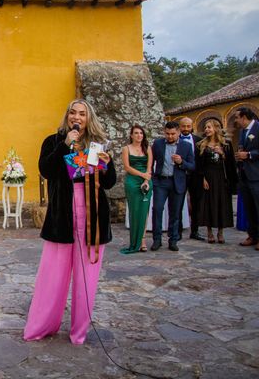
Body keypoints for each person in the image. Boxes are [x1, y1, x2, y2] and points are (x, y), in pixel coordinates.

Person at [24, 99, 116, 345]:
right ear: (67, 116)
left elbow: (108, 183)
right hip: (62, 216)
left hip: (92, 215)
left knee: (87, 277)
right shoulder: (53, 141)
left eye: (82, 114)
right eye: (73, 113)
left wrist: (106, 167)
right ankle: (42, 326)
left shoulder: (97, 145)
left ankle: (79, 332)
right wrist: (65, 145)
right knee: (52, 276)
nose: (77, 117)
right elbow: (46, 170)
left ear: (89, 118)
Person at [150, 121, 195, 252]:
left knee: (175, 213)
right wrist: (153, 177)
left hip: (178, 182)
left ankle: (173, 240)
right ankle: (156, 240)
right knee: (157, 209)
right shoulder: (157, 144)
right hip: (161, 182)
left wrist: (182, 162)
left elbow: (192, 166)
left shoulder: (186, 146)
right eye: (167, 134)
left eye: (173, 134)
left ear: (178, 133)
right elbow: (151, 161)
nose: (170, 136)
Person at [195, 119, 237, 244]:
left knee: (221, 203)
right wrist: (202, 179)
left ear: (216, 129)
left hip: (221, 177)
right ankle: (209, 232)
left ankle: (220, 232)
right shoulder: (201, 145)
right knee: (208, 203)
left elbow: (231, 164)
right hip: (208, 177)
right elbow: (198, 165)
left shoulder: (226, 145)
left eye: (209, 127)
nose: (206, 129)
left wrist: (223, 154)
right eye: (206, 127)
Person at [120, 125, 152, 254]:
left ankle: (142, 240)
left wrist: (146, 179)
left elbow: (149, 167)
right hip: (132, 181)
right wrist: (141, 174)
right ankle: (134, 241)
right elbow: (127, 167)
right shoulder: (126, 149)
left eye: (141, 133)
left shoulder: (148, 148)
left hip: (146, 181)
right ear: (131, 135)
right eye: (136, 133)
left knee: (144, 211)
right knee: (135, 210)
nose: (139, 135)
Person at [234, 107, 259, 250]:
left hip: (256, 175)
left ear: (244, 117)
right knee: (249, 207)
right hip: (244, 175)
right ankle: (252, 235)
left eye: (237, 117)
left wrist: (249, 155)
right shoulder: (243, 131)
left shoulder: (258, 128)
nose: (236, 120)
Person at [179, 117, 205, 241]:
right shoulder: (175, 140)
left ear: (192, 126)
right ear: (179, 127)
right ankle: (177, 231)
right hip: (180, 175)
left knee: (196, 204)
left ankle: (195, 231)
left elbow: (202, 160)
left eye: (188, 126)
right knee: (178, 203)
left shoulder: (199, 141)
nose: (185, 129)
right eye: (183, 126)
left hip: (196, 176)